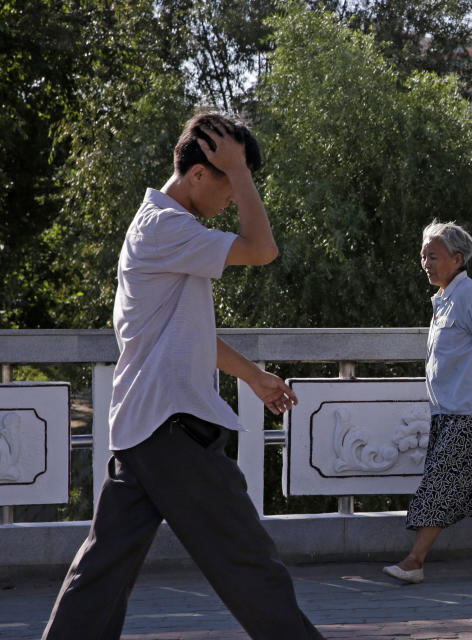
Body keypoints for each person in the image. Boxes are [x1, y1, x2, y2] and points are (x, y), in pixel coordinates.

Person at [43, 113, 323, 640]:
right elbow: (262, 249)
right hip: (173, 435)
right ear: (199, 174)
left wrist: (255, 376)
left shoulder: (157, 227)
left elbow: (185, 335)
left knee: (98, 582)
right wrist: (241, 171)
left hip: (141, 431)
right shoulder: (168, 227)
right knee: (250, 567)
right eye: (228, 183)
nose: (232, 200)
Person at [383, 221, 472, 584]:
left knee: (441, 479)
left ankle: (415, 560)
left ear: (457, 259)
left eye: (433, 256)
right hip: (454, 409)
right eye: (423, 256)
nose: (425, 263)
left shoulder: (469, 296)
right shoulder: (446, 297)